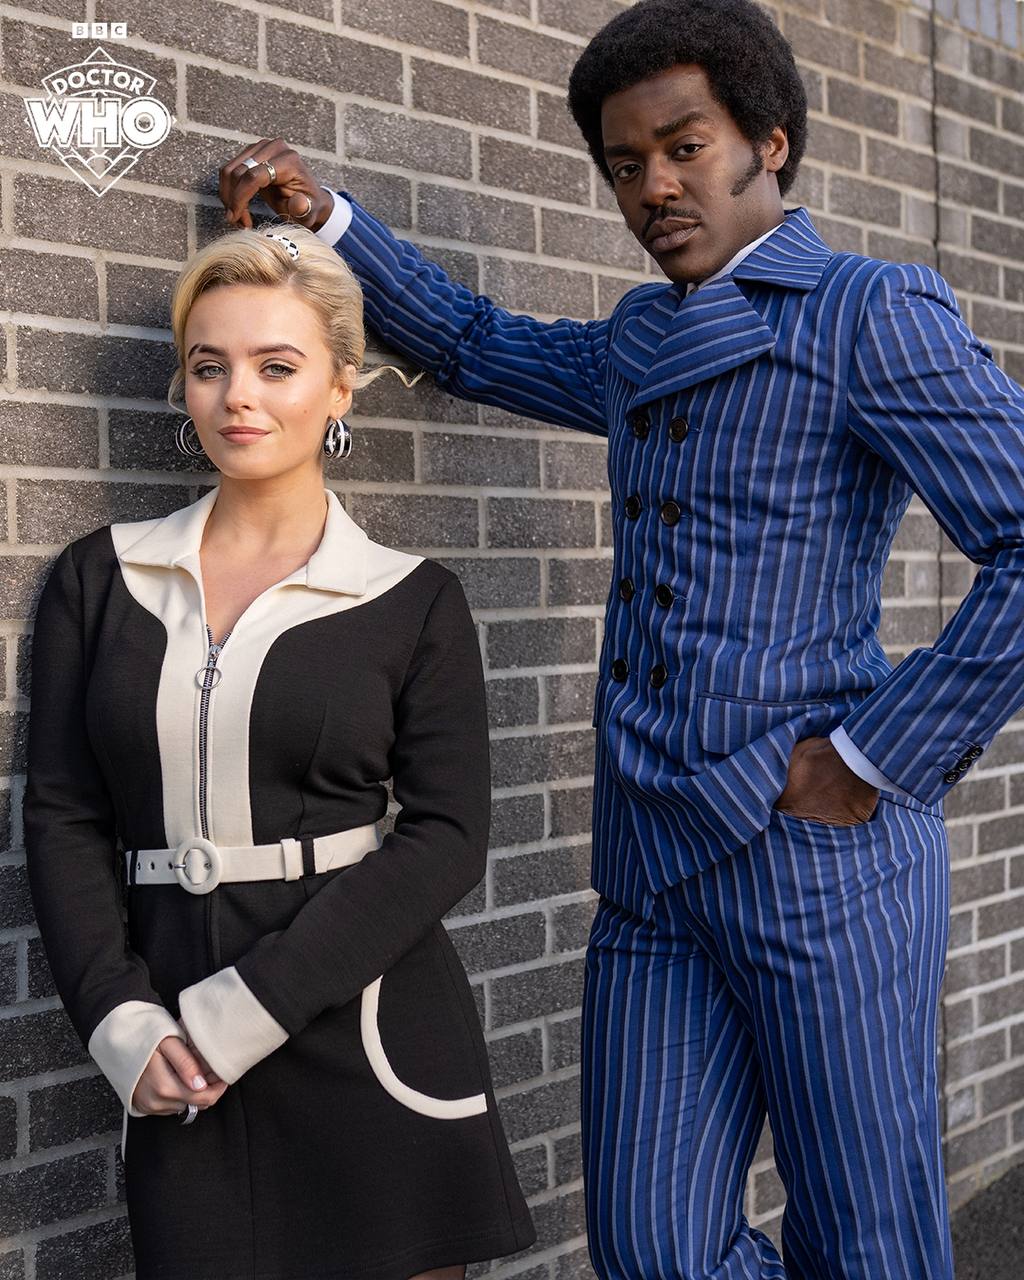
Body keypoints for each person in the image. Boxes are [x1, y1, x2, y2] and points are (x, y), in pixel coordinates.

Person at [216, 0, 1024, 1275]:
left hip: (819, 853)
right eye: (624, 163)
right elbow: (478, 344)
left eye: (684, 148)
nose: (652, 187)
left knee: (865, 1236)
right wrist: (330, 226)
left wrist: (873, 757)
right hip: (652, 859)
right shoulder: (643, 336)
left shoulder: (868, 312)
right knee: (650, 1247)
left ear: (769, 143)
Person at [22, 220, 536, 1280]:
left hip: (370, 1031)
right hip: (177, 1058)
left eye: (277, 366)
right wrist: (120, 1019)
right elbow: (64, 815)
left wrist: (244, 1011)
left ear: (341, 387)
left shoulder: (411, 598)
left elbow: (447, 836)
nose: (237, 397)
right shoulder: (100, 579)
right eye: (208, 366)